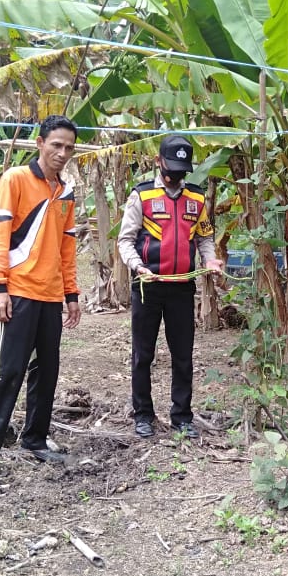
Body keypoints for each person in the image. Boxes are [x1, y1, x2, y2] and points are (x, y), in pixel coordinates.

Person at [0, 115, 82, 488]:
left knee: (45, 373)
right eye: (56, 145)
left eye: (69, 147)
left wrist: (71, 294)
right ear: (40, 143)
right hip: (17, 293)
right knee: (6, 375)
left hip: (51, 296)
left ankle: (35, 438)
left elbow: (67, 248)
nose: (62, 153)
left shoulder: (66, 193)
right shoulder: (15, 179)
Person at [117, 134, 223, 439]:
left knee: (182, 354)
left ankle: (182, 416)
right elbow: (125, 239)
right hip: (147, 287)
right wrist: (137, 266)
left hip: (181, 288)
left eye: (181, 171)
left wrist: (211, 260)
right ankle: (143, 414)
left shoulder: (197, 199)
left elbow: (204, 238)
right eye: (171, 169)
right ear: (158, 162)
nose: (175, 177)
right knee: (143, 354)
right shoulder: (142, 196)